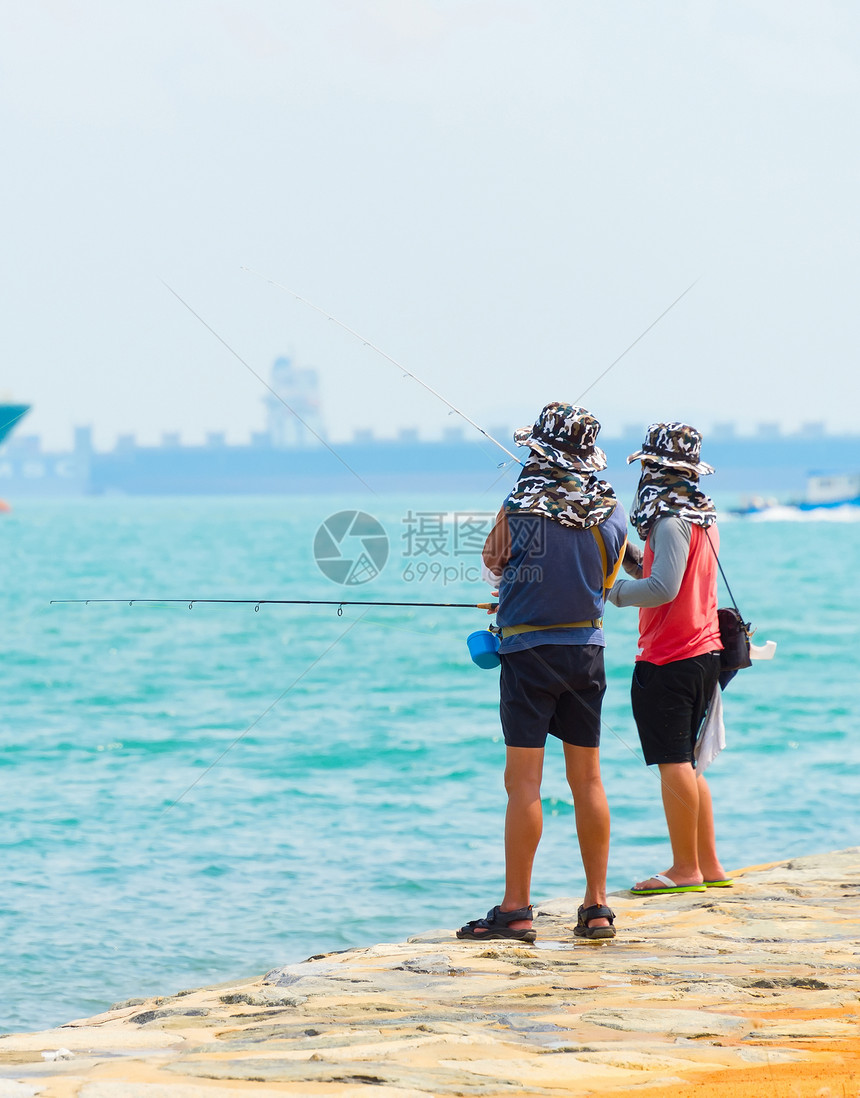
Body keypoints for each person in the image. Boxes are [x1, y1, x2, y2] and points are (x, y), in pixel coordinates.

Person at [456, 402, 628, 943]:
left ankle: (516, 909)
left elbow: (491, 560)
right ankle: (597, 907)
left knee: (523, 783)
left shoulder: (520, 506)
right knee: (588, 780)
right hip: (587, 653)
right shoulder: (612, 512)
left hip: (528, 655)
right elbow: (605, 579)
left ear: (540, 451)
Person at [607, 422, 732, 895]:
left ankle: (685, 869)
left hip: (670, 658)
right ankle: (709, 865)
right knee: (691, 763)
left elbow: (663, 588)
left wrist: (611, 591)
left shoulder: (668, 521)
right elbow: (669, 573)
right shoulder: (702, 517)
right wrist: (631, 559)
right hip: (704, 653)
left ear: (655, 469)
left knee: (674, 762)